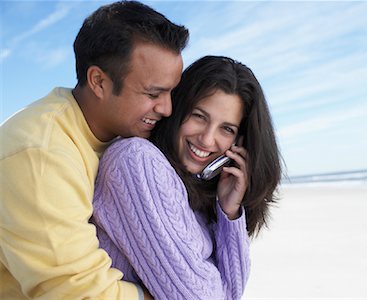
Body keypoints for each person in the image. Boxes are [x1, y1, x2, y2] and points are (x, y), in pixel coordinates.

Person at [0, 1, 188, 299]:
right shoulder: (40, 153)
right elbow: (76, 292)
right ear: (99, 82)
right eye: (153, 93)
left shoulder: (125, 136)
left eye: (171, 92)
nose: (166, 108)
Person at [91, 55, 282, 299]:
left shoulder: (193, 188)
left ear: (238, 142)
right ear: (178, 109)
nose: (206, 139)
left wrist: (229, 212)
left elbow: (232, 294)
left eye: (227, 129)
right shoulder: (136, 161)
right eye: (199, 116)